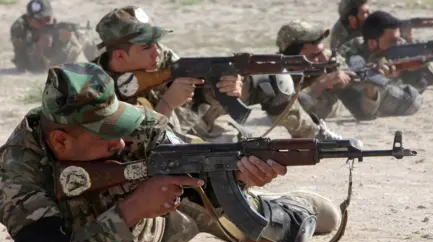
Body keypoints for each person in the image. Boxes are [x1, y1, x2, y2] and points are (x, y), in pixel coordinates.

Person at [0, 62, 341, 242]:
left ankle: (295, 205)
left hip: (170, 215)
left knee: (283, 235)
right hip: (129, 220)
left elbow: (196, 159)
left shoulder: (140, 125)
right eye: (106, 136)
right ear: (60, 141)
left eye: (119, 127)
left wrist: (236, 175)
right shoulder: (15, 171)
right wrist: (133, 208)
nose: (120, 142)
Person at [92, 6, 354, 144]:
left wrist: (230, 86)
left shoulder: (160, 56)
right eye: (146, 46)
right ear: (119, 57)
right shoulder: (97, 91)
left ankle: (311, 132)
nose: (157, 51)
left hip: (191, 116)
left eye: (156, 43)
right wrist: (167, 104)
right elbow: (144, 144)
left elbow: (191, 78)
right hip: (165, 136)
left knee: (270, 80)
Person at [339, 11, 433, 112]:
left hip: (401, 77)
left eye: (399, 38)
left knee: (426, 65)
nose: (399, 43)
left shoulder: (397, 47)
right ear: (372, 43)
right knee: (411, 100)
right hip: (370, 96)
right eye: (393, 41)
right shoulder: (351, 52)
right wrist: (382, 72)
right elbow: (357, 83)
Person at [276, 20, 388, 121]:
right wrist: (319, 85)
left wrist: (370, 89)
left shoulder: (332, 61)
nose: (324, 58)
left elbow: (365, 114)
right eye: (314, 54)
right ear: (293, 57)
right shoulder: (278, 73)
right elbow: (285, 113)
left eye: (322, 51)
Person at [9, 0, 98, 73]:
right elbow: (22, 60)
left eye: (47, 19)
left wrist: (65, 42)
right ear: (29, 20)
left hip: (58, 61)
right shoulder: (20, 28)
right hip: (32, 63)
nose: (44, 23)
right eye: (39, 21)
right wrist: (38, 47)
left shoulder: (56, 28)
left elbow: (63, 58)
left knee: (84, 36)